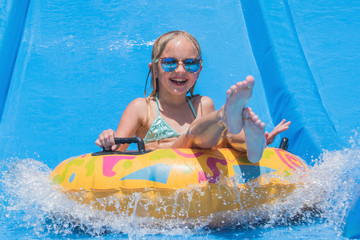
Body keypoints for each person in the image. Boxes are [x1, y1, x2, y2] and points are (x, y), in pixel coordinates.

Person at [95, 31, 290, 163]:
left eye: (191, 64)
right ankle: (225, 115)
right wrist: (108, 139)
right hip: (165, 167)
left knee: (228, 135)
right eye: (170, 63)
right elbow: (116, 154)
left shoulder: (201, 104)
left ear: (199, 70)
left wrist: (259, 138)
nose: (181, 70)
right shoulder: (142, 108)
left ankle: (251, 143)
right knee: (193, 135)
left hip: (200, 169)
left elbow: (218, 143)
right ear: (154, 68)